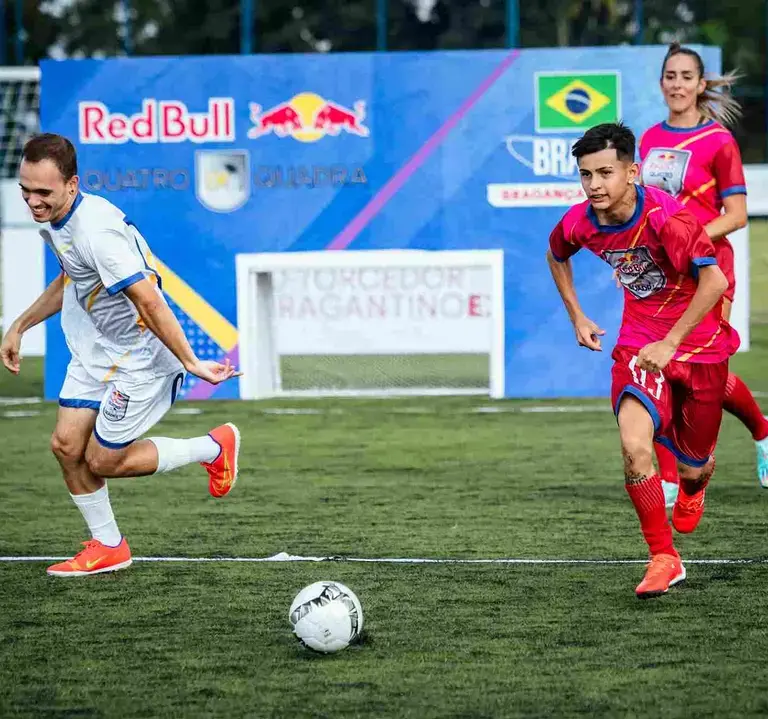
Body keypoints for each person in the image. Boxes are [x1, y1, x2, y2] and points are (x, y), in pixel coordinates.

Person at [0, 133, 242, 577]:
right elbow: (70, 278)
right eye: (25, 190)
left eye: (43, 193)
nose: (32, 202)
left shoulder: (98, 232)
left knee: (102, 460)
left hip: (141, 360)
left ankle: (211, 447)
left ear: (72, 185)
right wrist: (18, 325)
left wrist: (191, 362)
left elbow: (149, 300)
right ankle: (109, 546)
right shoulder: (61, 219)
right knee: (66, 446)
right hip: (98, 350)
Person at [547, 122, 737, 598]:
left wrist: (671, 342)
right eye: (586, 175)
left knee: (693, 466)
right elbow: (556, 254)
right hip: (636, 343)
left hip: (698, 346)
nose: (594, 185)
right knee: (635, 447)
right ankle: (663, 558)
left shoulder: (668, 220)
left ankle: (695, 482)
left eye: (605, 173)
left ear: (632, 172)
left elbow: (714, 283)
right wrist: (577, 316)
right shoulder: (580, 222)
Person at [639, 42, 768, 503]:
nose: (677, 84)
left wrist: (687, 241)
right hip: (661, 272)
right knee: (661, 364)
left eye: (686, 76)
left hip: (708, 267)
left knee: (702, 366)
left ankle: (762, 431)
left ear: (699, 84)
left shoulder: (719, 141)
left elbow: (735, 214)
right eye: (670, 76)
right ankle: (671, 480)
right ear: (661, 84)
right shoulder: (649, 139)